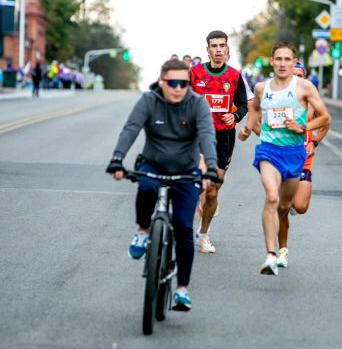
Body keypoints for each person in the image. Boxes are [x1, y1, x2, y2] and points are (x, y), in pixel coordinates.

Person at [106, 59, 219, 311]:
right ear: (161, 81)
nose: (178, 88)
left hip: (187, 171)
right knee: (145, 188)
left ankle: (182, 289)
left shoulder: (197, 103)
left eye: (184, 83)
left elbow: (206, 135)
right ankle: (144, 231)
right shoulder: (149, 101)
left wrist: (210, 167)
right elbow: (131, 128)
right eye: (172, 83)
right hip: (153, 165)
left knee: (182, 227)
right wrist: (117, 158)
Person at [238, 42, 330, 275]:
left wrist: (304, 127)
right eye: (278, 59)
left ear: (293, 62)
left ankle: (282, 244)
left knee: (286, 205)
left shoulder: (305, 88)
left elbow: (325, 118)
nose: (282, 63)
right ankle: (270, 254)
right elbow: (256, 109)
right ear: (271, 61)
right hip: (269, 150)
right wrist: (248, 128)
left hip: (295, 153)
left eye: (287, 59)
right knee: (271, 196)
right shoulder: (261, 87)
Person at [189, 30, 248, 253]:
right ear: (208, 50)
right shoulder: (195, 73)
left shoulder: (234, 76)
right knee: (197, 182)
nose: (218, 50)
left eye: (222, 46)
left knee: (213, 191)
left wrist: (236, 116)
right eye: (214, 46)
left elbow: (244, 105)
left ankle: (203, 234)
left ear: (227, 50)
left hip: (224, 136)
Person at [275, 61, 329, 268]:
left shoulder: (311, 101)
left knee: (301, 206)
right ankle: (283, 250)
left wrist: (314, 142)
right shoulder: (277, 98)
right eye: (293, 74)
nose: (297, 78)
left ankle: (290, 206)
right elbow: (258, 122)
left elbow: (326, 122)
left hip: (303, 159)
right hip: (280, 158)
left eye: (300, 75)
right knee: (283, 207)